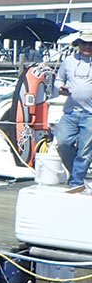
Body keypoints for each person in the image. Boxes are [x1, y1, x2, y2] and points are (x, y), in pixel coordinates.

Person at [53, 27, 92, 188]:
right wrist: (60, 88)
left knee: (84, 152)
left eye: (91, 44)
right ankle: (77, 175)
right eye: (84, 43)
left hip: (90, 115)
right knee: (62, 143)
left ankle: (75, 183)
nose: (87, 47)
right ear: (78, 44)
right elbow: (58, 80)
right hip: (70, 112)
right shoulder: (68, 61)